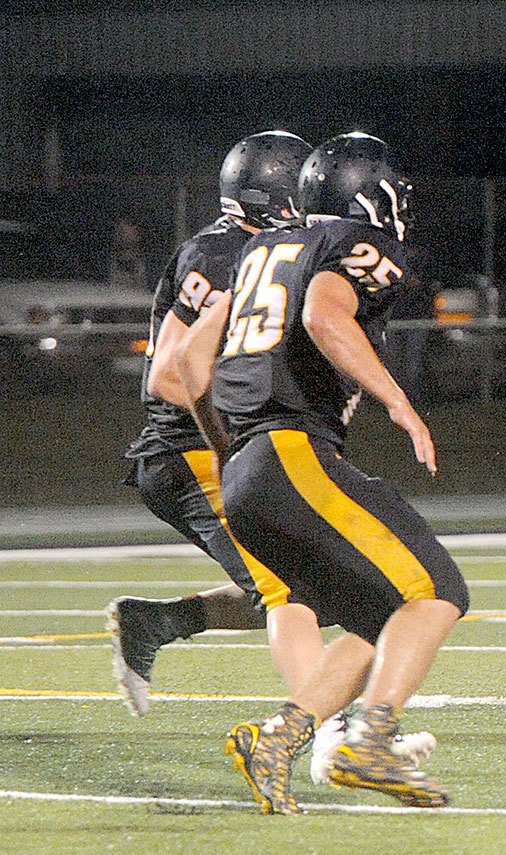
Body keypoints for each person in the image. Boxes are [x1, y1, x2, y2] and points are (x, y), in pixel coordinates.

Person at [179, 132, 468, 814]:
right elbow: (321, 312)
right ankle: (371, 741)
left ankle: (276, 739)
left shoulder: (257, 252)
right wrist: (400, 401)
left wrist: (228, 454)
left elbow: (192, 368)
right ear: (371, 196)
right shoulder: (357, 245)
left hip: (250, 467)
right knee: (437, 589)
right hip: (291, 451)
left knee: (379, 616)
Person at [112, 130, 317, 718]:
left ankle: (156, 622)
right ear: (272, 197)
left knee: (326, 583)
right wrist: (233, 443)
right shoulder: (220, 253)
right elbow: (170, 378)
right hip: (191, 450)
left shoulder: (258, 250)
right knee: (289, 592)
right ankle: (330, 729)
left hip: (226, 447)